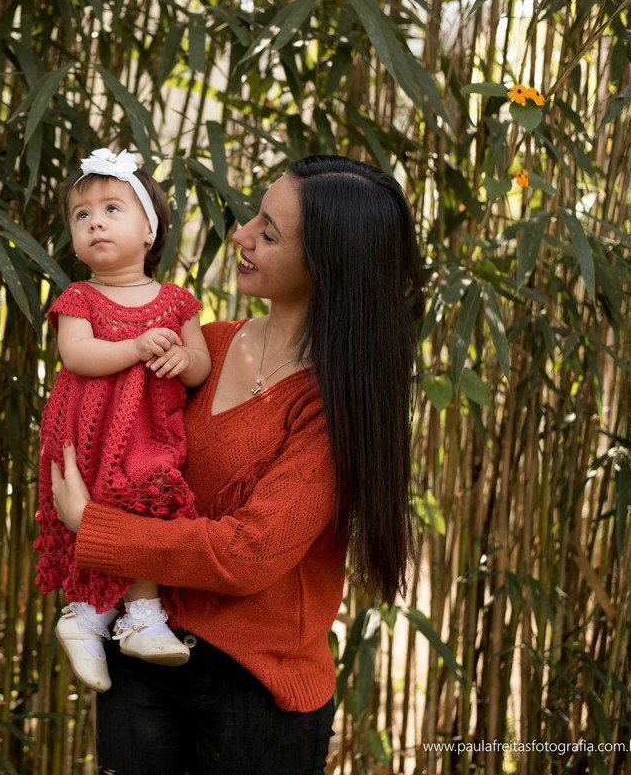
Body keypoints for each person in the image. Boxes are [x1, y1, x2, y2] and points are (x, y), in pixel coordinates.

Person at [51, 154, 423, 773]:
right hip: (144, 655)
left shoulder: (334, 411)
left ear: (326, 267)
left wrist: (95, 530)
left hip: (255, 694)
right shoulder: (206, 346)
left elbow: (247, 551)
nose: (240, 234)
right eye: (255, 215)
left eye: (268, 233)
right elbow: (118, 438)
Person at [35, 148, 213, 694]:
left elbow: (199, 363)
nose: (94, 223)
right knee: (96, 511)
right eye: (81, 215)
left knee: (149, 506)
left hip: (148, 432)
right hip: (88, 432)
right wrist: (136, 346)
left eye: (112, 209)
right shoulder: (79, 297)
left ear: (149, 231)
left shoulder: (177, 301)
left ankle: (141, 617)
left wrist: (183, 361)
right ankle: (87, 615)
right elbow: (78, 357)